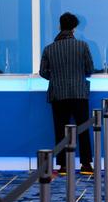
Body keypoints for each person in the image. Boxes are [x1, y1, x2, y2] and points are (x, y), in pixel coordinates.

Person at [40, 12, 94, 175]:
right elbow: (89, 70)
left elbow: (43, 72)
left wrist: (55, 78)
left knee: (60, 129)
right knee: (83, 129)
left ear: (59, 26)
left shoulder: (49, 49)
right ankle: (86, 165)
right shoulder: (82, 46)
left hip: (58, 94)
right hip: (79, 93)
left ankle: (63, 166)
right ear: (74, 28)